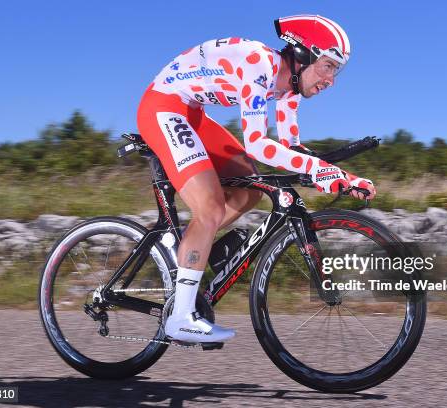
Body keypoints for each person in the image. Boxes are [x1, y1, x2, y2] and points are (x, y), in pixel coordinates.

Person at [136, 15, 377, 344]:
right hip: (164, 107)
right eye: (328, 66)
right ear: (304, 53)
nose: (331, 80)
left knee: (247, 191)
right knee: (209, 207)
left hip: (193, 113)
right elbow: (258, 144)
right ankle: (181, 317)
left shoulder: (289, 90)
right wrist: (320, 172)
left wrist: (341, 175)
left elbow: (291, 148)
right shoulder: (258, 65)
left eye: (336, 70)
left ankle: (183, 250)